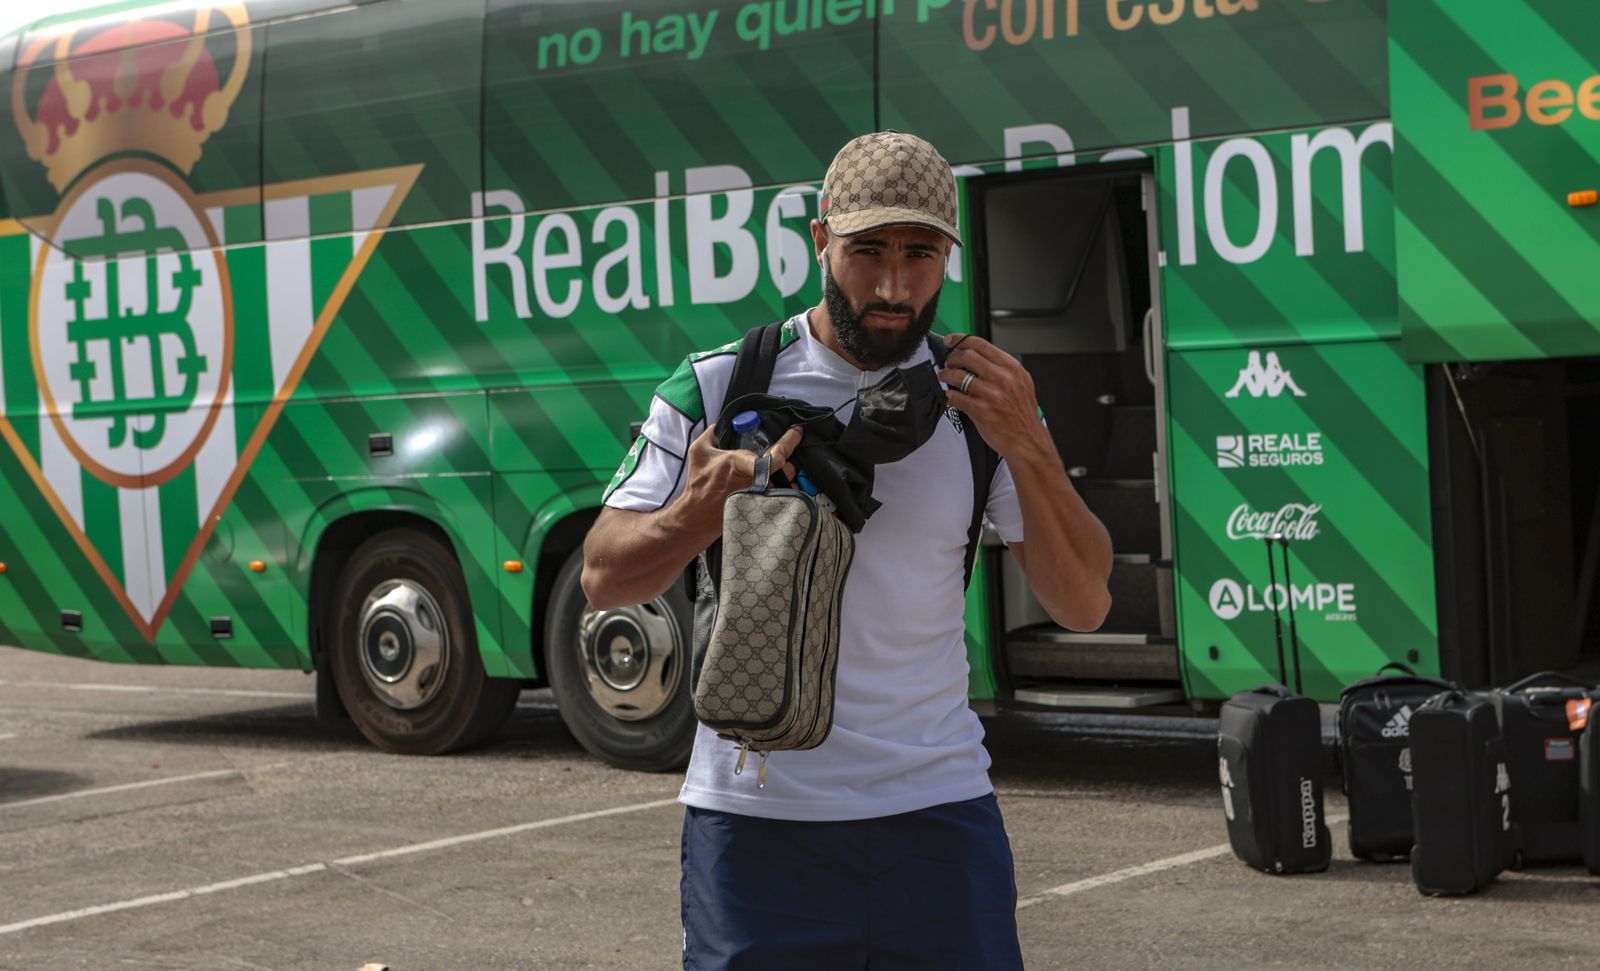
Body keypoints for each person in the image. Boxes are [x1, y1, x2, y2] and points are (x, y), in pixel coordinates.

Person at [582, 131, 1113, 971]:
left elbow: (1085, 604)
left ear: (949, 257)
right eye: (868, 251)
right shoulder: (723, 383)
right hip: (756, 826)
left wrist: (1030, 447)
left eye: (920, 253)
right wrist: (695, 513)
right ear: (821, 239)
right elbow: (604, 578)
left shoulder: (981, 400)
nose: (895, 285)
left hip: (939, 819)